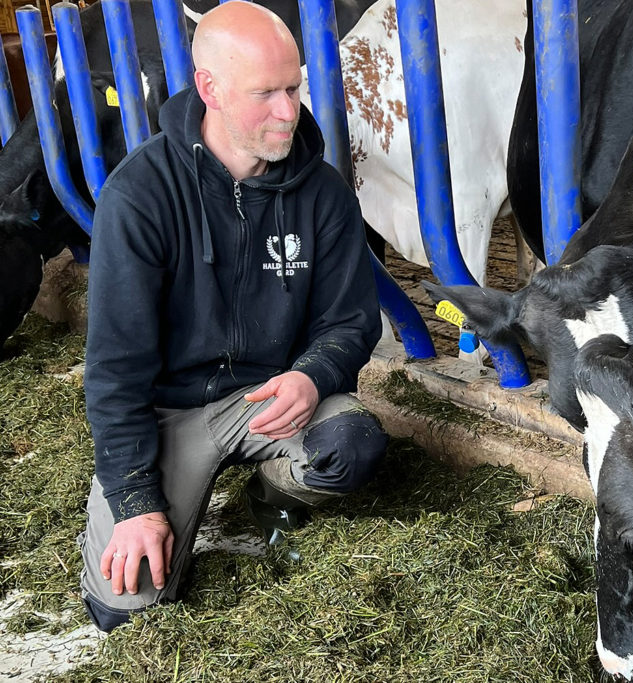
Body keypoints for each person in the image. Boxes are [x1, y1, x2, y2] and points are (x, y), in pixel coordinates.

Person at [79, 1, 387, 632]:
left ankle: (274, 492)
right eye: (266, 93)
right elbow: (116, 366)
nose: (288, 112)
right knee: (128, 606)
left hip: (268, 401)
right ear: (210, 88)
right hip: (171, 412)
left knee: (349, 443)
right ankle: (158, 501)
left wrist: (313, 376)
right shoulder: (140, 196)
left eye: (294, 88)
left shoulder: (323, 192)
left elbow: (350, 320)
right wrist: (136, 502)